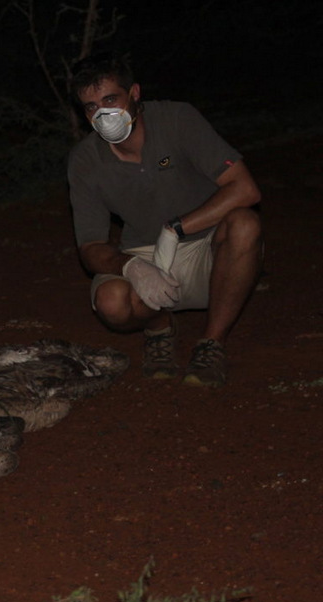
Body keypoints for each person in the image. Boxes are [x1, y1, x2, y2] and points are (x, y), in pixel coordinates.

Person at [67, 53, 262, 388]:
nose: (102, 114)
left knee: (245, 225)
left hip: (207, 247)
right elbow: (90, 246)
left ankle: (211, 344)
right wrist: (132, 267)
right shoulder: (85, 160)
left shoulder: (177, 119)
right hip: (143, 252)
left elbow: (245, 188)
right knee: (111, 302)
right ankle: (159, 326)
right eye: (91, 107)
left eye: (110, 99)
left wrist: (176, 228)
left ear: (135, 93)